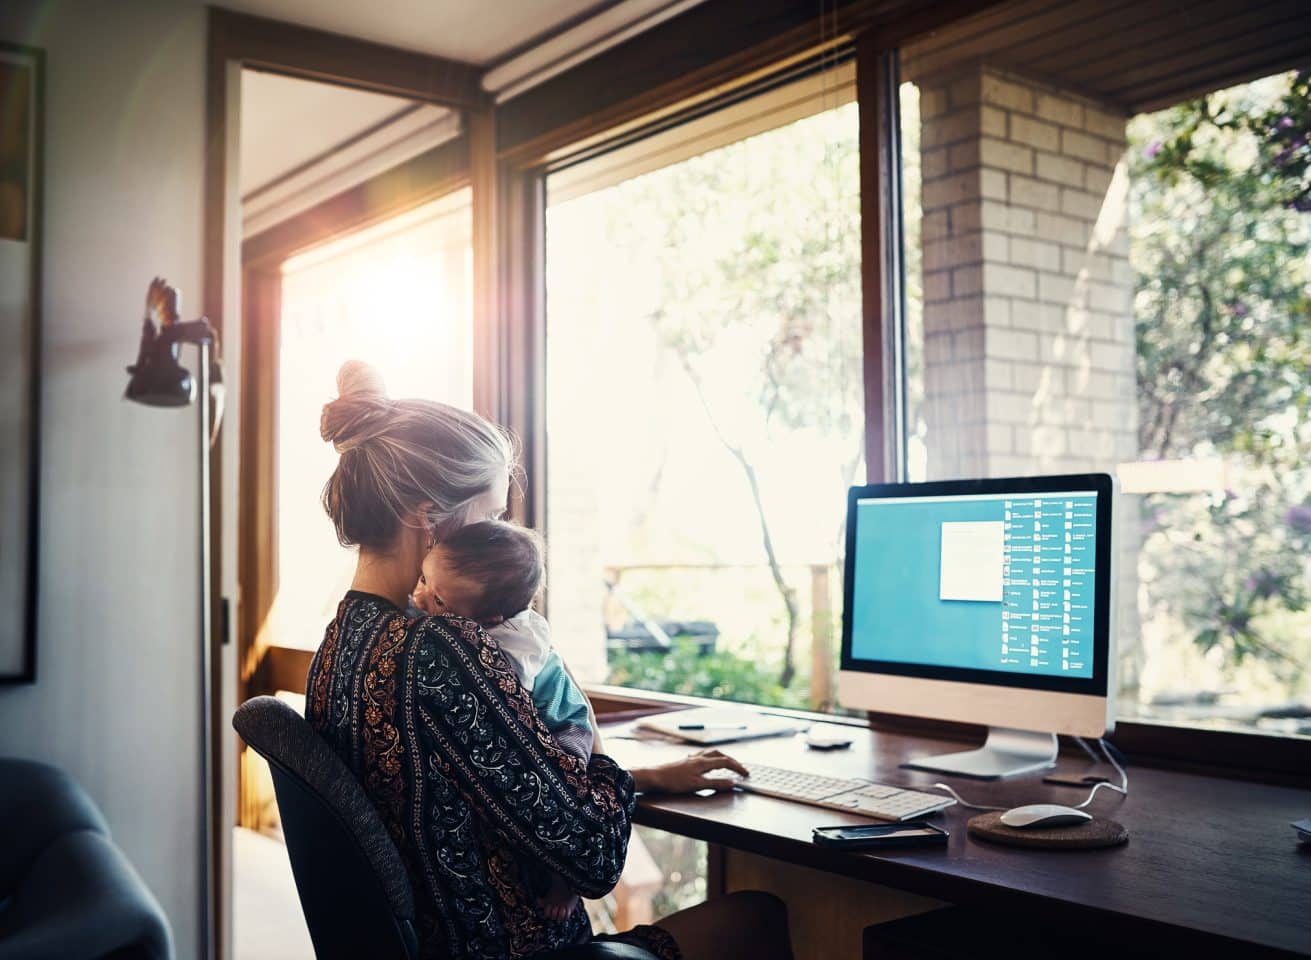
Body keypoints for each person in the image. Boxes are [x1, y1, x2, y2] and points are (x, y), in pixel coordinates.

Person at [306, 360, 794, 960]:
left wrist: (647, 777)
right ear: (428, 520)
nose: (497, 539)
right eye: (488, 518)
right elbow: (592, 858)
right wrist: (608, 768)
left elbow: (464, 789)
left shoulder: (341, 642)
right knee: (756, 916)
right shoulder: (443, 647)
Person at [409, 519, 591, 921]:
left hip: (566, 724)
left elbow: (509, 698)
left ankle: (567, 883)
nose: (420, 598)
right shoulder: (467, 614)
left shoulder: (513, 645)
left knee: (566, 790)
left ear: (489, 617)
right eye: (423, 579)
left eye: (438, 602)